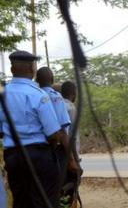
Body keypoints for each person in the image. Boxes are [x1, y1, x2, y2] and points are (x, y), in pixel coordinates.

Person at [0, 50, 81, 208]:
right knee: (44, 201)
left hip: (13, 157)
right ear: (32, 69)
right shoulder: (38, 95)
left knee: (21, 201)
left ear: (11, 69)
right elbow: (54, 134)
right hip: (37, 156)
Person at [61, 81, 80, 153]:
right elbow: (72, 135)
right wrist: (75, 158)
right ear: (74, 94)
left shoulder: (58, 105)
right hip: (69, 152)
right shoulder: (71, 108)